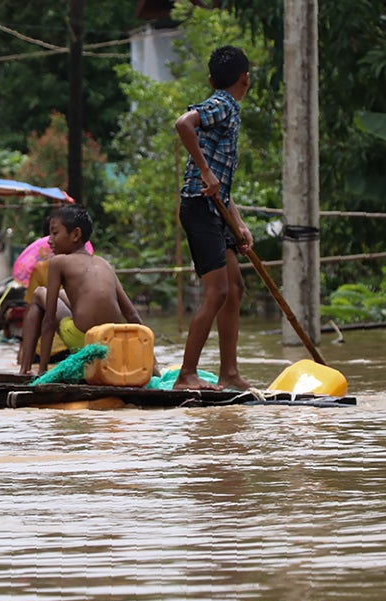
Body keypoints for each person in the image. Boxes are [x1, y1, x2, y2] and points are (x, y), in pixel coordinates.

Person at [173, 45, 255, 390]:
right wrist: (205, 171)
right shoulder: (222, 103)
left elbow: (220, 184)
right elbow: (183, 123)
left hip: (217, 208)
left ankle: (230, 373)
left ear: (211, 77)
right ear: (245, 79)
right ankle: (186, 375)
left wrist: (238, 223)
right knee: (218, 290)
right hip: (199, 206)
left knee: (234, 288)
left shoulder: (230, 110)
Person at [17, 205, 145, 375]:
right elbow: (132, 315)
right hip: (111, 341)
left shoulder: (59, 262)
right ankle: (27, 368)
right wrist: (152, 363)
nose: (49, 240)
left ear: (75, 234)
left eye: (55, 233)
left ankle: (24, 370)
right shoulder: (104, 263)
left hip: (84, 339)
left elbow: (49, 320)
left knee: (40, 293)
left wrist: (43, 371)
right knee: (63, 295)